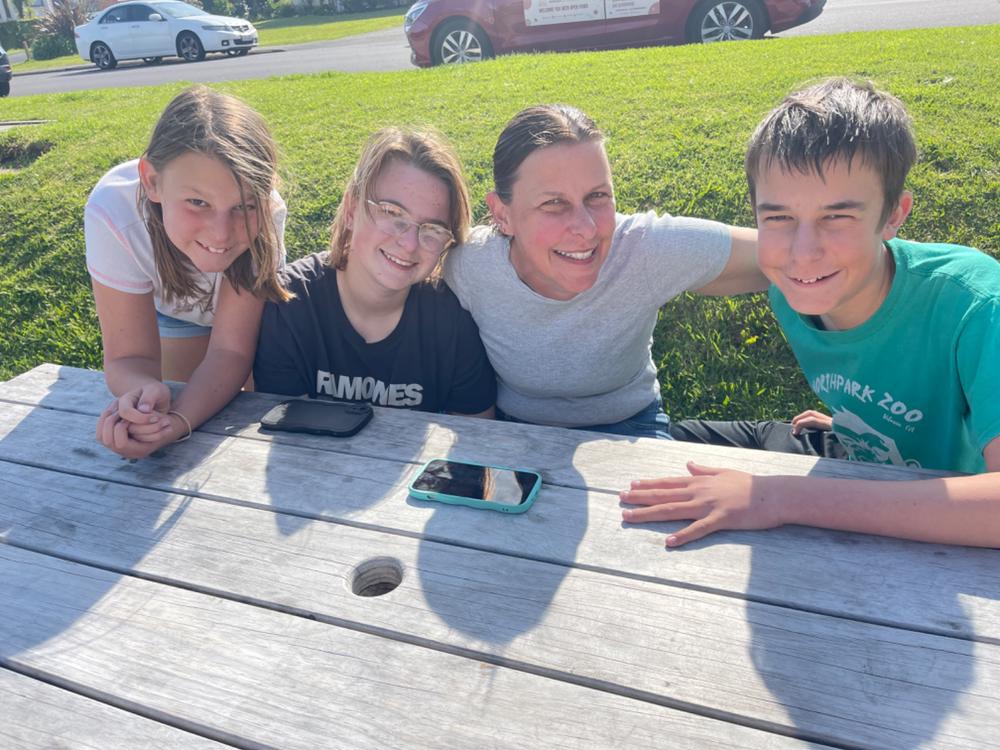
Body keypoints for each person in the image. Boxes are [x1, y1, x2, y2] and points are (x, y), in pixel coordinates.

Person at [621, 78, 1000, 548]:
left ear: (893, 214)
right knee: (664, 452)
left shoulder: (976, 304)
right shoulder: (793, 288)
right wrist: (859, 426)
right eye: (779, 217)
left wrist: (778, 498)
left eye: (836, 217)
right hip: (855, 456)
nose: (802, 253)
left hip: (950, 535)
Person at [443, 104, 765, 439]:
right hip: (514, 428)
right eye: (553, 204)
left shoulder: (642, 248)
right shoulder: (471, 264)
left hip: (630, 427)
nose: (586, 228)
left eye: (597, 196)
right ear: (502, 214)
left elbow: (782, 255)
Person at [87, 86, 290, 460]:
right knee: (176, 395)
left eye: (244, 206)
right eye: (198, 202)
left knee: (242, 419)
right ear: (152, 181)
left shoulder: (268, 214)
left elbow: (231, 350)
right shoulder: (113, 211)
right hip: (173, 313)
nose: (221, 235)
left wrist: (177, 424)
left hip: (245, 324)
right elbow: (128, 357)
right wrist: (142, 395)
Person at [253, 128, 496, 418]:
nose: (409, 244)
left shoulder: (452, 321)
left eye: (433, 229)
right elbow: (286, 433)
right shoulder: (290, 304)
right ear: (351, 210)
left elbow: (476, 432)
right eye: (392, 213)